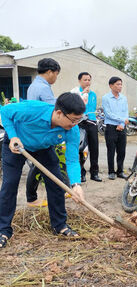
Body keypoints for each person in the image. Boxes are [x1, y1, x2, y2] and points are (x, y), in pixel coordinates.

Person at [0, 92, 86, 249]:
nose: (75, 124)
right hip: (17, 145)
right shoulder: (33, 109)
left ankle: (59, 225)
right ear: (59, 113)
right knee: (9, 184)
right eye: (73, 120)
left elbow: (72, 159)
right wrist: (12, 136)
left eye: (78, 120)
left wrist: (75, 184)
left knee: (56, 183)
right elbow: (4, 112)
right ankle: (3, 230)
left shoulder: (72, 130)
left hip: (44, 149)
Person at [26, 58, 61, 207]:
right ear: (49, 72)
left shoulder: (34, 85)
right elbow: (51, 108)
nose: (56, 77)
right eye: (56, 74)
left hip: (33, 131)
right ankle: (32, 198)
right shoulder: (43, 87)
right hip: (40, 132)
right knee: (45, 164)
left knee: (40, 164)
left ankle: (33, 197)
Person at [71, 72, 101, 182]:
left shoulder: (93, 94)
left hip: (91, 123)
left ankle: (94, 173)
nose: (87, 82)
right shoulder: (75, 92)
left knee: (94, 148)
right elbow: (74, 105)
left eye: (89, 80)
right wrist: (83, 94)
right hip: (79, 123)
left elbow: (92, 109)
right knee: (80, 149)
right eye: (85, 80)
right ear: (79, 81)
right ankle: (81, 173)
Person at [102, 77, 129, 180]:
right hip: (111, 127)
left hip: (122, 127)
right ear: (111, 85)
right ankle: (111, 172)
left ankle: (120, 171)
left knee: (122, 151)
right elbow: (108, 114)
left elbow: (125, 112)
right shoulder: (106, 98)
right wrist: (121, 120)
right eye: (118, 84)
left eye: (121, 84)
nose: (120, 86)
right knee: (111, 151)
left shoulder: (123, 98)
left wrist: (122, 123)